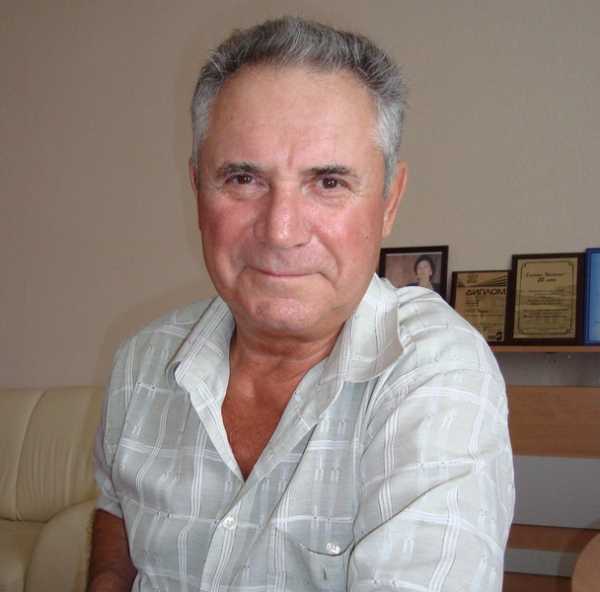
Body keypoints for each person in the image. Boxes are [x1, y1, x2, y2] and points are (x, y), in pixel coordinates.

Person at [88, 16, 514, 592]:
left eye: (329, 182)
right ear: (198, 190)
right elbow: (115, 510)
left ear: (389, 201)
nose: (281, 230)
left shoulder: (435, 372)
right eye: (243, 178)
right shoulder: (141, 364)